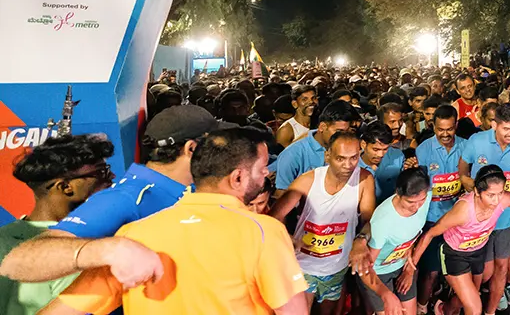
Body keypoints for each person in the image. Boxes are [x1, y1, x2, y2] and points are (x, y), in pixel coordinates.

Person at [40, 127, 308, 315]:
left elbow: (66, 309)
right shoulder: (263, 232)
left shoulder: (133, 234)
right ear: (237, 178)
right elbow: (292, 310)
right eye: (262, 170)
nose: (266, 176)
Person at [0, 106, 227, 290]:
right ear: (191, 148)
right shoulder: (125, 198)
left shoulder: (186, 190)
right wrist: (111, 250)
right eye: (101, 173)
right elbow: (19, 262)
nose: (112, 176)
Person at [0, 136, 116, 315]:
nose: (112, 178)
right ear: (65, 187)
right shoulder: (84, 246)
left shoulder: (3, 236)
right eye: (101, 173)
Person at [413, 166, 510, 315]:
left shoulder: (504, 199)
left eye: (500, 193)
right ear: (477, 192)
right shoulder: (463, 211)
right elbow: (430, 233)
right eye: (490, 195)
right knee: (475, 308)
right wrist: (410, 267)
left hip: (477, 251)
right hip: (455, 255)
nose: (496, 200)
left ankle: (444, 309)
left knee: (471, 296)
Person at [270, 131, 377, 314]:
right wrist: (287, 239)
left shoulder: (364, 179)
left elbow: (368, 219)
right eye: (340, 159)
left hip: (336, 267)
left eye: (353, 158)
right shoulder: (308, 181)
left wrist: (361, 240)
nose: (348, 165)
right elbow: (273, 218)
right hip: (303, 267)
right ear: (327, 156)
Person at [457, 105, 510, 315]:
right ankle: (466, 307)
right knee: (482, 273)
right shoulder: (477, 141)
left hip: (508, 220)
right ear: (494, 124)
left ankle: (491, 311)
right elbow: (463, 166)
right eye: (506, 129)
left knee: (502, 267)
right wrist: (466, 181)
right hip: (478, 220)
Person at [413, 105, 467, 310]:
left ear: (456, 126)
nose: (445, 134)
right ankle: (421, 306)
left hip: (459, 218)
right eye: (440, 129)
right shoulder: (423, 150)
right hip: (431, 218)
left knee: (456, 269)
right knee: (431, 271)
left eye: (450, 129)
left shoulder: (466, 146)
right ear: (432, 126)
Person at [358, 169, 431, 315]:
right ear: (398, 194)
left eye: (421, 201)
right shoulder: (383, 221)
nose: (417, 206)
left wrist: (410, 268)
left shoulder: (427, 195)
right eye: (410, 202)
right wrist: (386, 294)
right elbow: (365, 269)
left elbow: (413, 233)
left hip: (402, 265)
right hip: (378, 273)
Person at [273, 100, 361, 194]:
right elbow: (282, 194)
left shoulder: (352, 150)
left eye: (348, 132)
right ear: (322, 127)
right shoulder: (292, 154)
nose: (343, 137)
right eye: (339, 131)